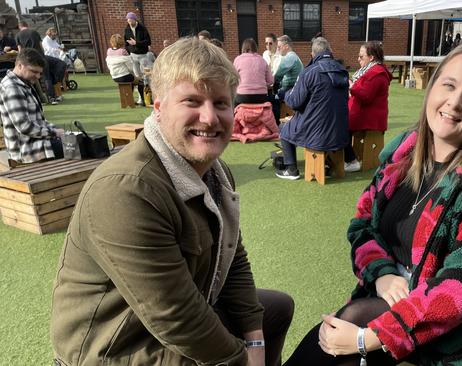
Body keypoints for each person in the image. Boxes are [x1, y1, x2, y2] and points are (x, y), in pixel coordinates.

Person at [283, 43, 462, 366]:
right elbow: (362, 223)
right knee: (338, 332)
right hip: (396, 299)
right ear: (432, 88)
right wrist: (382, 274)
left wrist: (366, 339)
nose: (455, 103)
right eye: (448, 85)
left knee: (350, 332)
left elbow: (459, 292)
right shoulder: (405, 151)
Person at [50, 37, 294, 366]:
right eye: (192, 101)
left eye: (221, 103)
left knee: (274, 310)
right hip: (115, 345)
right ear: (159, 107)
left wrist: (255, 339)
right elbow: (176, 318)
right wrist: (241, 359)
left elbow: (232, 255)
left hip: (178, 312)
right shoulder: (126, 190)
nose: (209, 118)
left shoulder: (214, 171)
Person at [274, 37, 348, 180]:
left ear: (313, 54)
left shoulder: (310, 72)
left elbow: (295, 102)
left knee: (284, 128)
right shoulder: (342, 70)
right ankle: (327, 164)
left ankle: (291, 169)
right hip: (340, 132)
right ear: (330, 51)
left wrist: (286, 93)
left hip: (316, 132)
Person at [0, 48, 63, 163]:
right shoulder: (12, 88)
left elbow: (38, 121)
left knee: (77, 142)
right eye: (34, 71)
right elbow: (24, 126)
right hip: (27, 152)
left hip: (36, 145)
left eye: (40, 73)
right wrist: (55, 132)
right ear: (20, 66)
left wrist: (56, 130)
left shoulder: (22, 84)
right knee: (78, 148)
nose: (38, 76)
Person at [343, 41, 391, 173]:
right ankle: (347, 158)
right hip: (363, 113)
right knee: (337, 126)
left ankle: (351, 160)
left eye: (361, 56)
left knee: (339, 129)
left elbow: (366, 96)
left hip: (370, 117)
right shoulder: (370, 71)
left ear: (371, 58)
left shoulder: (377, 73)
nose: (358, 59)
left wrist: (351, 86)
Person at [105, 33, 145, 106]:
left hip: (115, 77)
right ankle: (143, 101)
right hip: (124, 75)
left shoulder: (109, 51)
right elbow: (130, 65)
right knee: (140, 81)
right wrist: (134, 74)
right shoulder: (123, 51)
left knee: (132, 82)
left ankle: (129, 101)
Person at [233, 38, 273, 106]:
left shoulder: (238, 59)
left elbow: (233, 78)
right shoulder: (262, 60)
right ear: (255, 48)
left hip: (242, 96)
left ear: (243, 48)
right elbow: (271, 81)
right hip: (261, 96)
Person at [124, 11, 151, 104]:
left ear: (134, 19)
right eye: (128, 19)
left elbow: (148, 42)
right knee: (137, 77)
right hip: (133, 56)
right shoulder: (127, 30)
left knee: (147, 76)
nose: (129, 21)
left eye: (130, 19)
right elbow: (126, 43)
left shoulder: (142, 28)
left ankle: (149, 97)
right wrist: (129, 50)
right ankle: (141, 99)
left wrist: (136, 43)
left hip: (143, 55)